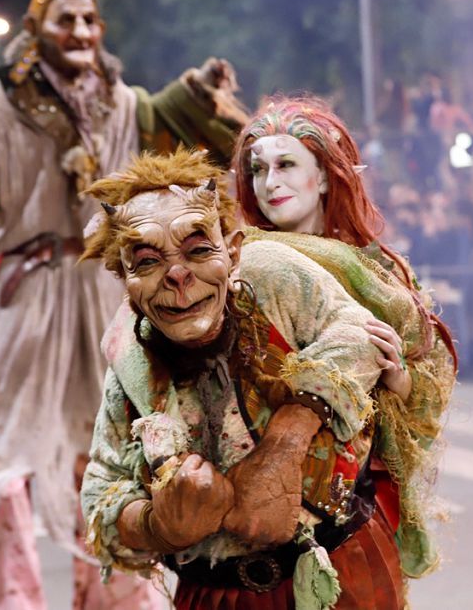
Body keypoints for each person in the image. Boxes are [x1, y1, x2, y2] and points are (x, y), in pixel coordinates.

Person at [0, 0, 247, 608]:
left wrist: (196, 92)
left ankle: (121, 598)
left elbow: (170, 128)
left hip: (110, 294)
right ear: (34, 34)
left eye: (89, 20)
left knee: (125, 448)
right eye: (64, 21)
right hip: (34, 300)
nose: (79, 32)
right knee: (3, 457)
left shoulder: (126, 105)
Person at [80, 147, 404, 609]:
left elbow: (358, 334)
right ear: (124, 278)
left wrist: (285, 444)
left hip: (341, 570)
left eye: (198, 250)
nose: (177, 276)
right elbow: (100, 491)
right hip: (213, 592)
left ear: (231, 252)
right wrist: (159, 524)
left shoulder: (271, 274)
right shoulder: (132, 358)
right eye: (148, 261)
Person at [232, 96, 458, 580]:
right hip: (256, 499)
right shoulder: (236, 262)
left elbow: (430, 387)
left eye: (287, 165)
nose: (270, 183)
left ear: (326, 175)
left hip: (353, 511)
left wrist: (400, 380)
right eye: (258, 169)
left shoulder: (379, 271)